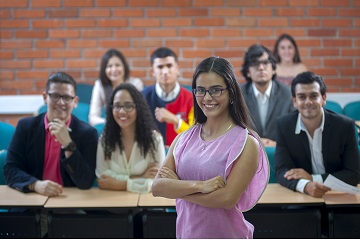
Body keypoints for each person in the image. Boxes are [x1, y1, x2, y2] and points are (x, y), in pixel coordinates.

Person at [152, 57, 269, 238]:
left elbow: (227, 199)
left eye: (216, 90)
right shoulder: (183, 139)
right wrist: (201, 186)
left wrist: (179, 189)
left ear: (231, 92)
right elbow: (158, 187)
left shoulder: (247, 143)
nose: (207, 98)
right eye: (201, 90)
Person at [4, 72, 98, 196]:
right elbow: (10, 169)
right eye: (55, 96)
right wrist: (35, 185)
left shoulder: (88, 134)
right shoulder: (25, 127)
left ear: (75, 101)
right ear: (45, 97)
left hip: (70, 205)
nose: (61, 102)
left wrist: (68, 144)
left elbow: (85, 182)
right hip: (32, 201)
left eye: (67, 97)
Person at [275, 71, 360, 198]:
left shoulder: (345, 126)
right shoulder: (284, 125)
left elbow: (354, 174)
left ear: (323, 98)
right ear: (294, 101)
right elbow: (282, 171)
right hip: (304, 197)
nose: (308, 102)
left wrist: (313, 178)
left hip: (338, 195)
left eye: (314, 96)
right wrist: (305, 186)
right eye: (302, 97)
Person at [96, 83, 165, 193]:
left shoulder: (155, 140)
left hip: (144, 206)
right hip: (110, 204)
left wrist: (120, 184)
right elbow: (102, 177)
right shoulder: (105, 139)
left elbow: (158, 183)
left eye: (128, 106)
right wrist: (139, 177)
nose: (122, 111)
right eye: (117, 106)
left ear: (138, 108)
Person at [240, 44, 294, 146]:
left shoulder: (287, 93)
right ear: (248, 72)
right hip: (249, 151)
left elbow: (293, 128)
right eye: (255, 63)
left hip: (279, 151)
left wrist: (276, 144)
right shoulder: (239, 94)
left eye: (265, 63)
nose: (261, 67)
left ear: (273, 69)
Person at [142, 47, 193, 146]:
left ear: (177, 69)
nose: (165, 71)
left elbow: (195, 137)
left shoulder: (191, 99)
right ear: (152, 71)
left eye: (169, 66)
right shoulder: (142, 97)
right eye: (160, 67)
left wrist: (175, 120)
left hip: (181, 155)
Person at [89, 49, 144, 126]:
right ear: (104, 69)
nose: (114, 69)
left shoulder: (136, 84)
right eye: (109, 66)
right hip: (110, 128)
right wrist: (113, 124)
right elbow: (93, 118)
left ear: (124, 67)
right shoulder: (100, 85)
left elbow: (141, 113)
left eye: (117, 65)